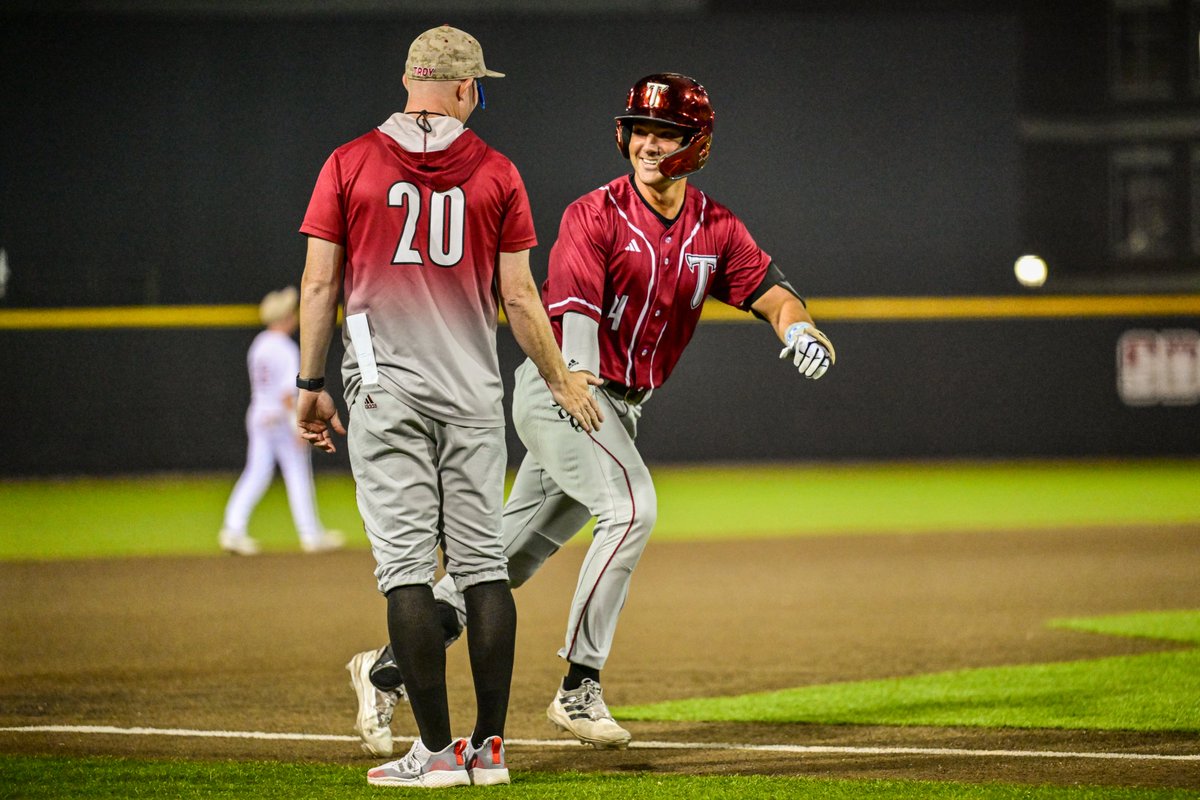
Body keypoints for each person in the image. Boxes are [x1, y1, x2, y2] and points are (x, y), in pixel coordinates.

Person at [345, 72, 836, 754]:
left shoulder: (714, 226)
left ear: (696, 143)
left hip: (618, 408)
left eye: (665, 132)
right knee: (632, 509)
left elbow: (771, 290)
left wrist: (799, 329)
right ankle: (579, 686)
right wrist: (575, 393)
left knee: (501, 564)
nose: (648, 142)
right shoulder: (594, 214)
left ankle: (385, 669)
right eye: (640, 128)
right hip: (564, 392)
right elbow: (571, 317)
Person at [294, 24, 603, 789]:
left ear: (409, 82)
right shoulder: (497, 172)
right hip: (471, 394)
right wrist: (562, 377)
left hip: (386, 391)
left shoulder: (347, 163)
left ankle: (433, 756)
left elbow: (318, 287)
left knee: (405, 571)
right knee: (481, 570)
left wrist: (309, 386)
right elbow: (521, 297)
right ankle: (488, 753)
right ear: (466, 88)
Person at [218, 286, 344, 556]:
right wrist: (296, 425)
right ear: (285, 317)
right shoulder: (285, 348)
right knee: (298, 474)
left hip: (259, 416)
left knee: (256, 473)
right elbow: (288, 394)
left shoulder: (259, 344)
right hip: (280, 419)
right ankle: (310, 535)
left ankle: (232, 528)